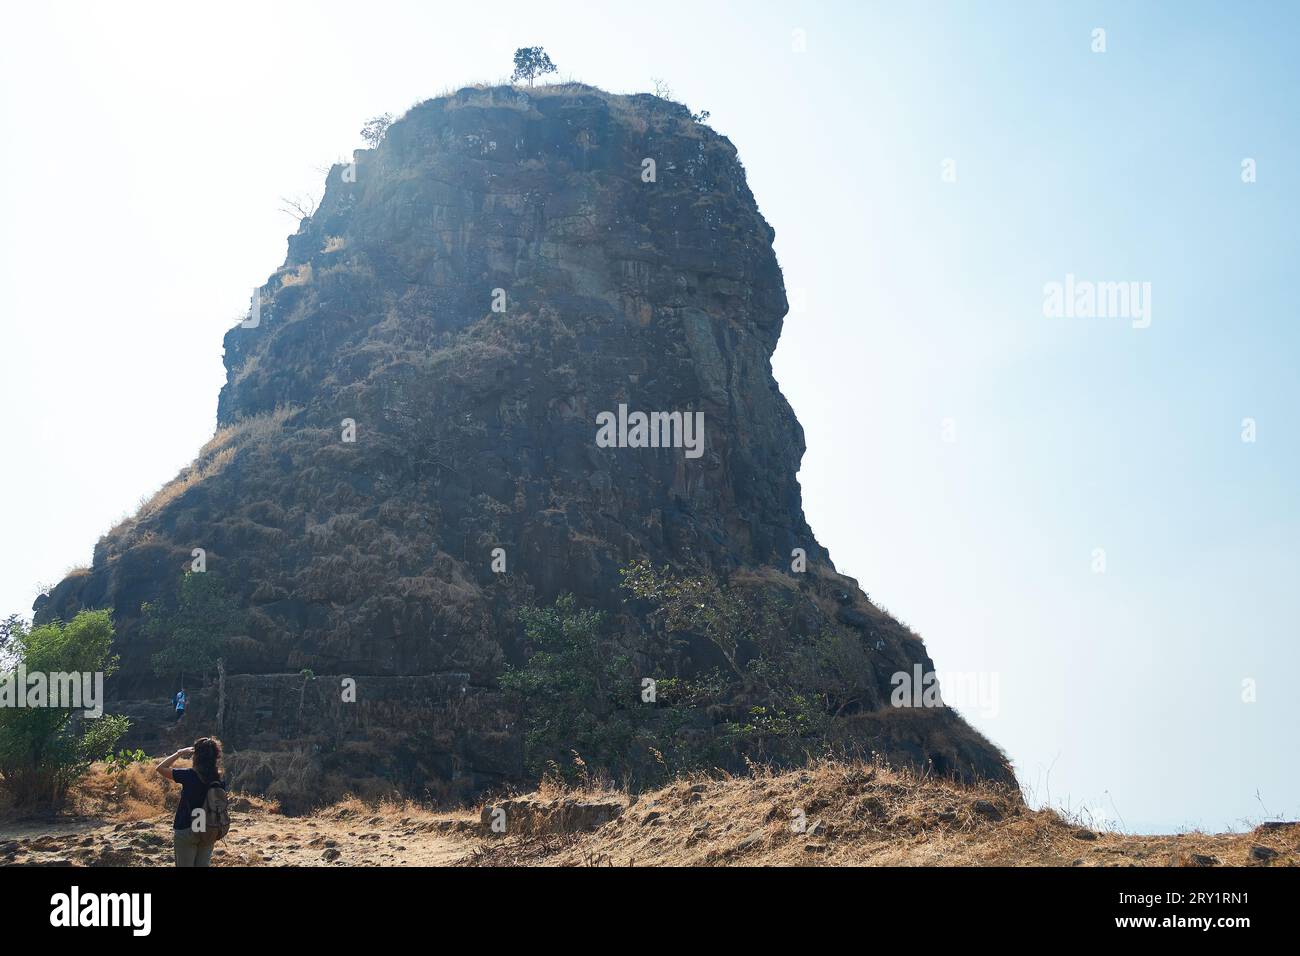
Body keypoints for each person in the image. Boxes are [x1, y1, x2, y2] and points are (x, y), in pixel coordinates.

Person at [156, 737, 225, 867]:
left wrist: (179, 753)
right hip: (209, 828)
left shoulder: (189, 775)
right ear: (216, 756)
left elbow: (160, 768)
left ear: (196, 755)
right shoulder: (219, 779)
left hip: (187, 828)